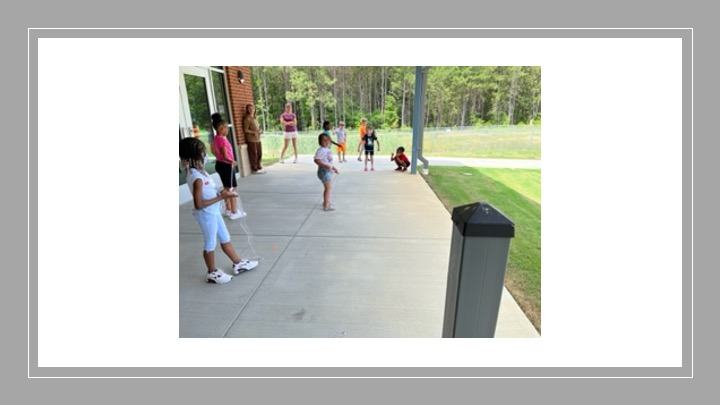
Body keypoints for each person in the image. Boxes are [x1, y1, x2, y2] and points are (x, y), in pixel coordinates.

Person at [179, 137, 258, 284]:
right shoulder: (196, 177)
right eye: (202, 152)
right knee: (210, 243)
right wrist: (221, 197)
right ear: (194, 156)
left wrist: (223, 192)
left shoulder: (202, 173)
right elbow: (199, 204)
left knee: (225, 237)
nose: (205, 155)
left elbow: (209, 192)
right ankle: (212, 272)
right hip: (206, 214)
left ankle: (238, 263)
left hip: (214, 211)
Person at [211, 113, 243, 220]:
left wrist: (218, 157)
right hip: (226, 166)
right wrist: (232, 161)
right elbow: (225, 155)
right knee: (231, 188)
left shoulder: (216, 138)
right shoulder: (222, 139)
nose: (227, 130)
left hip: (220, 165)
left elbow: (213, 151)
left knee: (226, 187)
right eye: (226, 127)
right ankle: (234, 212)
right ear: (221, 128)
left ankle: (228, 209)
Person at [314, 133, 339, 211]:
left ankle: (326, 201)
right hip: (323, 171)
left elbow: (328, 161)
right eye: (324, 140)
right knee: (328, 188)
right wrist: (324, 166)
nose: (326, 142)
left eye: (328, 140)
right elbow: (316, 160)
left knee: (328, 188)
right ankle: (326, 205)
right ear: (320, 142)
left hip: (327, 170)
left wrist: (333, 168)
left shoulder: (327, 150)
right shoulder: (321, 150)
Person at [243, 104, 265, 174]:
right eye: (249, 108)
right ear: (247, 110)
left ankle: (258, 166)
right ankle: (254, 169)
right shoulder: (247, 118)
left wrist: (260, 131)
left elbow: (257, 128)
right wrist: (253, 132)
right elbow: (245, 130)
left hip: (258, 138)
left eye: (252, 108)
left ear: (254, 109)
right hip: (251, 140)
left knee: (259, 153)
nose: (251, 110)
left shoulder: (254, 118)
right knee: (254, 154)